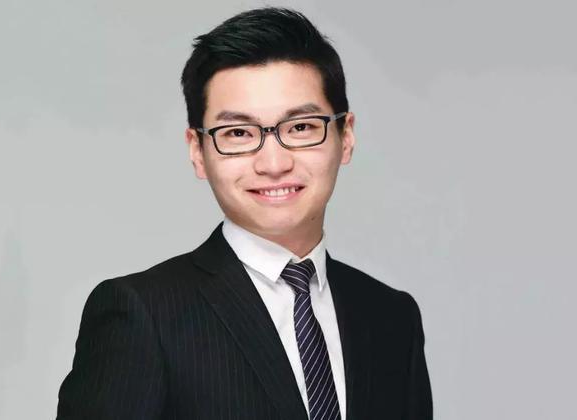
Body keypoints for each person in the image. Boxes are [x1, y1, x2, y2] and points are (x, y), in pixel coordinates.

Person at [57, 7, 432, 420]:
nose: (274, 163)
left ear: (346, 137)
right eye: (238, 133)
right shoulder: (143, 316)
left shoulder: (391, 317)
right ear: (197, 151)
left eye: (301, 127)